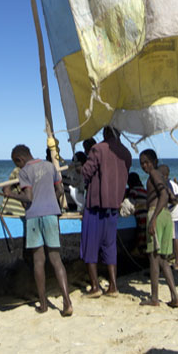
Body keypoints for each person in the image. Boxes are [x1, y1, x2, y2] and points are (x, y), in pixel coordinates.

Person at [5, 144, 73, 316]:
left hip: (34, 217)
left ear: (20, 159)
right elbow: (59, 190)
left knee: (39, 261)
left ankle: (43, 304)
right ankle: (67, 302)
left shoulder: (24, 172)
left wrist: (9, 194)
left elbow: (28, 198)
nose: (18, 166)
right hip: (52, 215)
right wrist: (50, 199)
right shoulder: (50, 166)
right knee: (56, 259)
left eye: (17, 163)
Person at [79, 126, 131, 297]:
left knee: (90, 246)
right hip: (114, 207)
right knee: (110, 246)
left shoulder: (98, 149)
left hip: (96, 206)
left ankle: (95, 287)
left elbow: (86, 174)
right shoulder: (126, 153)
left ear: (106, 133)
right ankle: (113, 286)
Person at [139, 149, 178, 308]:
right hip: (166, 216)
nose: (144, 166)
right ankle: (174, 296)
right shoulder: (161, 176)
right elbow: (169, 196)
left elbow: (163, 195)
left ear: (154, 161)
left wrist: (153, 218)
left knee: (154, 259)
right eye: (142, 163)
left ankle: (154, 298)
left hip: (157, 215)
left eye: (147, 162)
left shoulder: (154, 174)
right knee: (163, 259)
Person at [160, 164, 178, 269]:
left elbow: (172, 200)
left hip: (176, 213)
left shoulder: (167, 184)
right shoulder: (171, 182)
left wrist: (165, 209)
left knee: (176, 237)